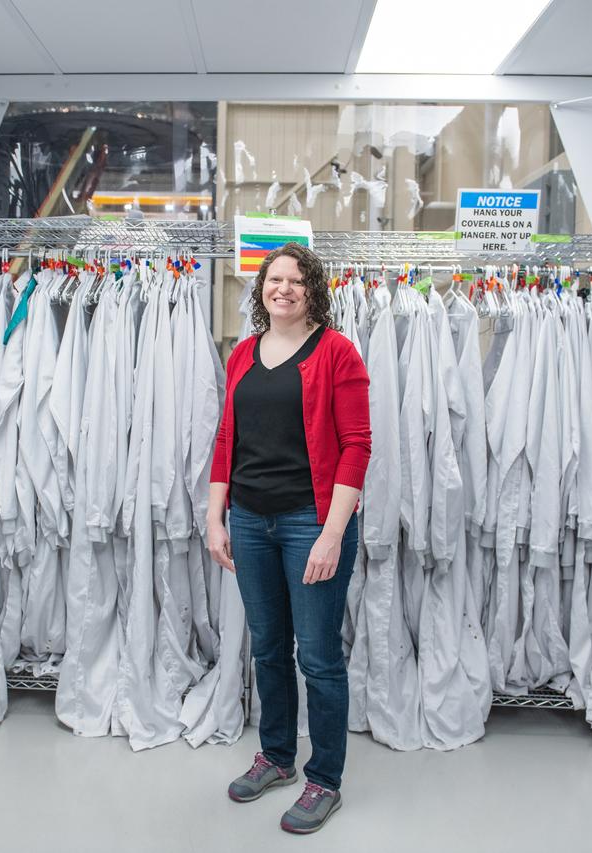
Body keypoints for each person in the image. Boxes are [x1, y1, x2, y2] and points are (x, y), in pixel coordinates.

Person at [206, 242, 371, 834]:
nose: (284, 289)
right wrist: (214, 516)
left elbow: (357, 448)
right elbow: (227, 437)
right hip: (250, 520)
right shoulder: (242, 355)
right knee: (268, 648)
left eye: (296, 281)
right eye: (274, 279)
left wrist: (331, 535)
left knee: (320, 658)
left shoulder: (337, 352)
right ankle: (276, 757)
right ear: (261, 290)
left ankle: (324, 778)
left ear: (313, 290)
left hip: (310, 522)